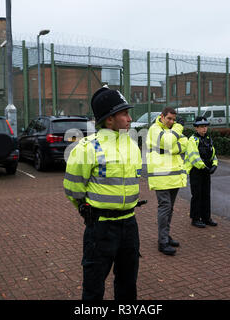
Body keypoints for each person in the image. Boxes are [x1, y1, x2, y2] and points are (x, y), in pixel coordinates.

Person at [63, 86, 142, 300]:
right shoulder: (87, 148)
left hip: (130, 226)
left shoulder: (132, 145)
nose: (129, 118)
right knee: (93, 287)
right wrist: (85, 209)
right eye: (124, 113)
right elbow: (72, 188)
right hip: (101, 228)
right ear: (109, 119)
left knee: (128, 285)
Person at [146, 107, 188, 256]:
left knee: (169, 209)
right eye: (169, 118)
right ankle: (162, 242)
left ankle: (166, 235)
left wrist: (173, 145)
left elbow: (185, 143)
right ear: (161, 116)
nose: (171, 122)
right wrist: (177, 129)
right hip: (162, 176)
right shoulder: (154, 129)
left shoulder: (170, 131)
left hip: (173, 177)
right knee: (165, 208)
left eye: (174, 120)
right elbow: (170, 142)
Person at [185, 116, 218, 228]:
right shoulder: (192, 140)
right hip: (196, 171)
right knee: (197, 195)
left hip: (206, 170)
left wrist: (214, 165)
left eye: (205, 126)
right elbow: (194, 157)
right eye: (201, 127)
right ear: (196, 128)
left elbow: (213, 154)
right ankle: (195, 218)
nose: (204, 129)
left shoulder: (208, 139)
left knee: (206, 194)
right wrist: (204, 167)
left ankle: (206, 217)